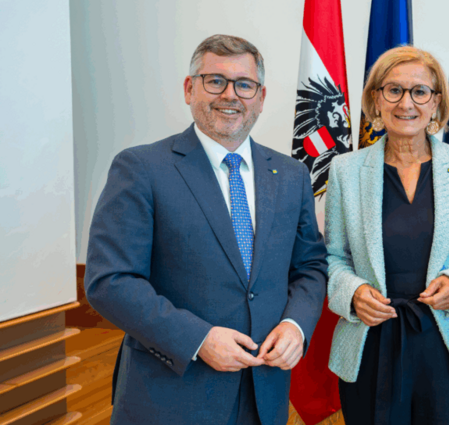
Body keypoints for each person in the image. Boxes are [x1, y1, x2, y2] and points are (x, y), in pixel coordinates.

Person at [84, 35, 328, 424]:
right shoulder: (141, 168)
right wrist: (198, 339)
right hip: (172, 395)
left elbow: (310, 267)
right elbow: (109, 281)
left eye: (244, 85)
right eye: (215, 81)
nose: (230, 95)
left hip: (264, 392)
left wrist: (295, 324)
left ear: (261, 97)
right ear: (189, 88)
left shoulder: (291, 175)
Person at [325, 46, 449, 424]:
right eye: (394, 90)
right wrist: (353, 293)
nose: (406, 103)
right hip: (370, 344)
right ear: (376, 99)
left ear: (436, 102)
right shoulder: (345, 170)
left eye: (420, 91)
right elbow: (333, 258)